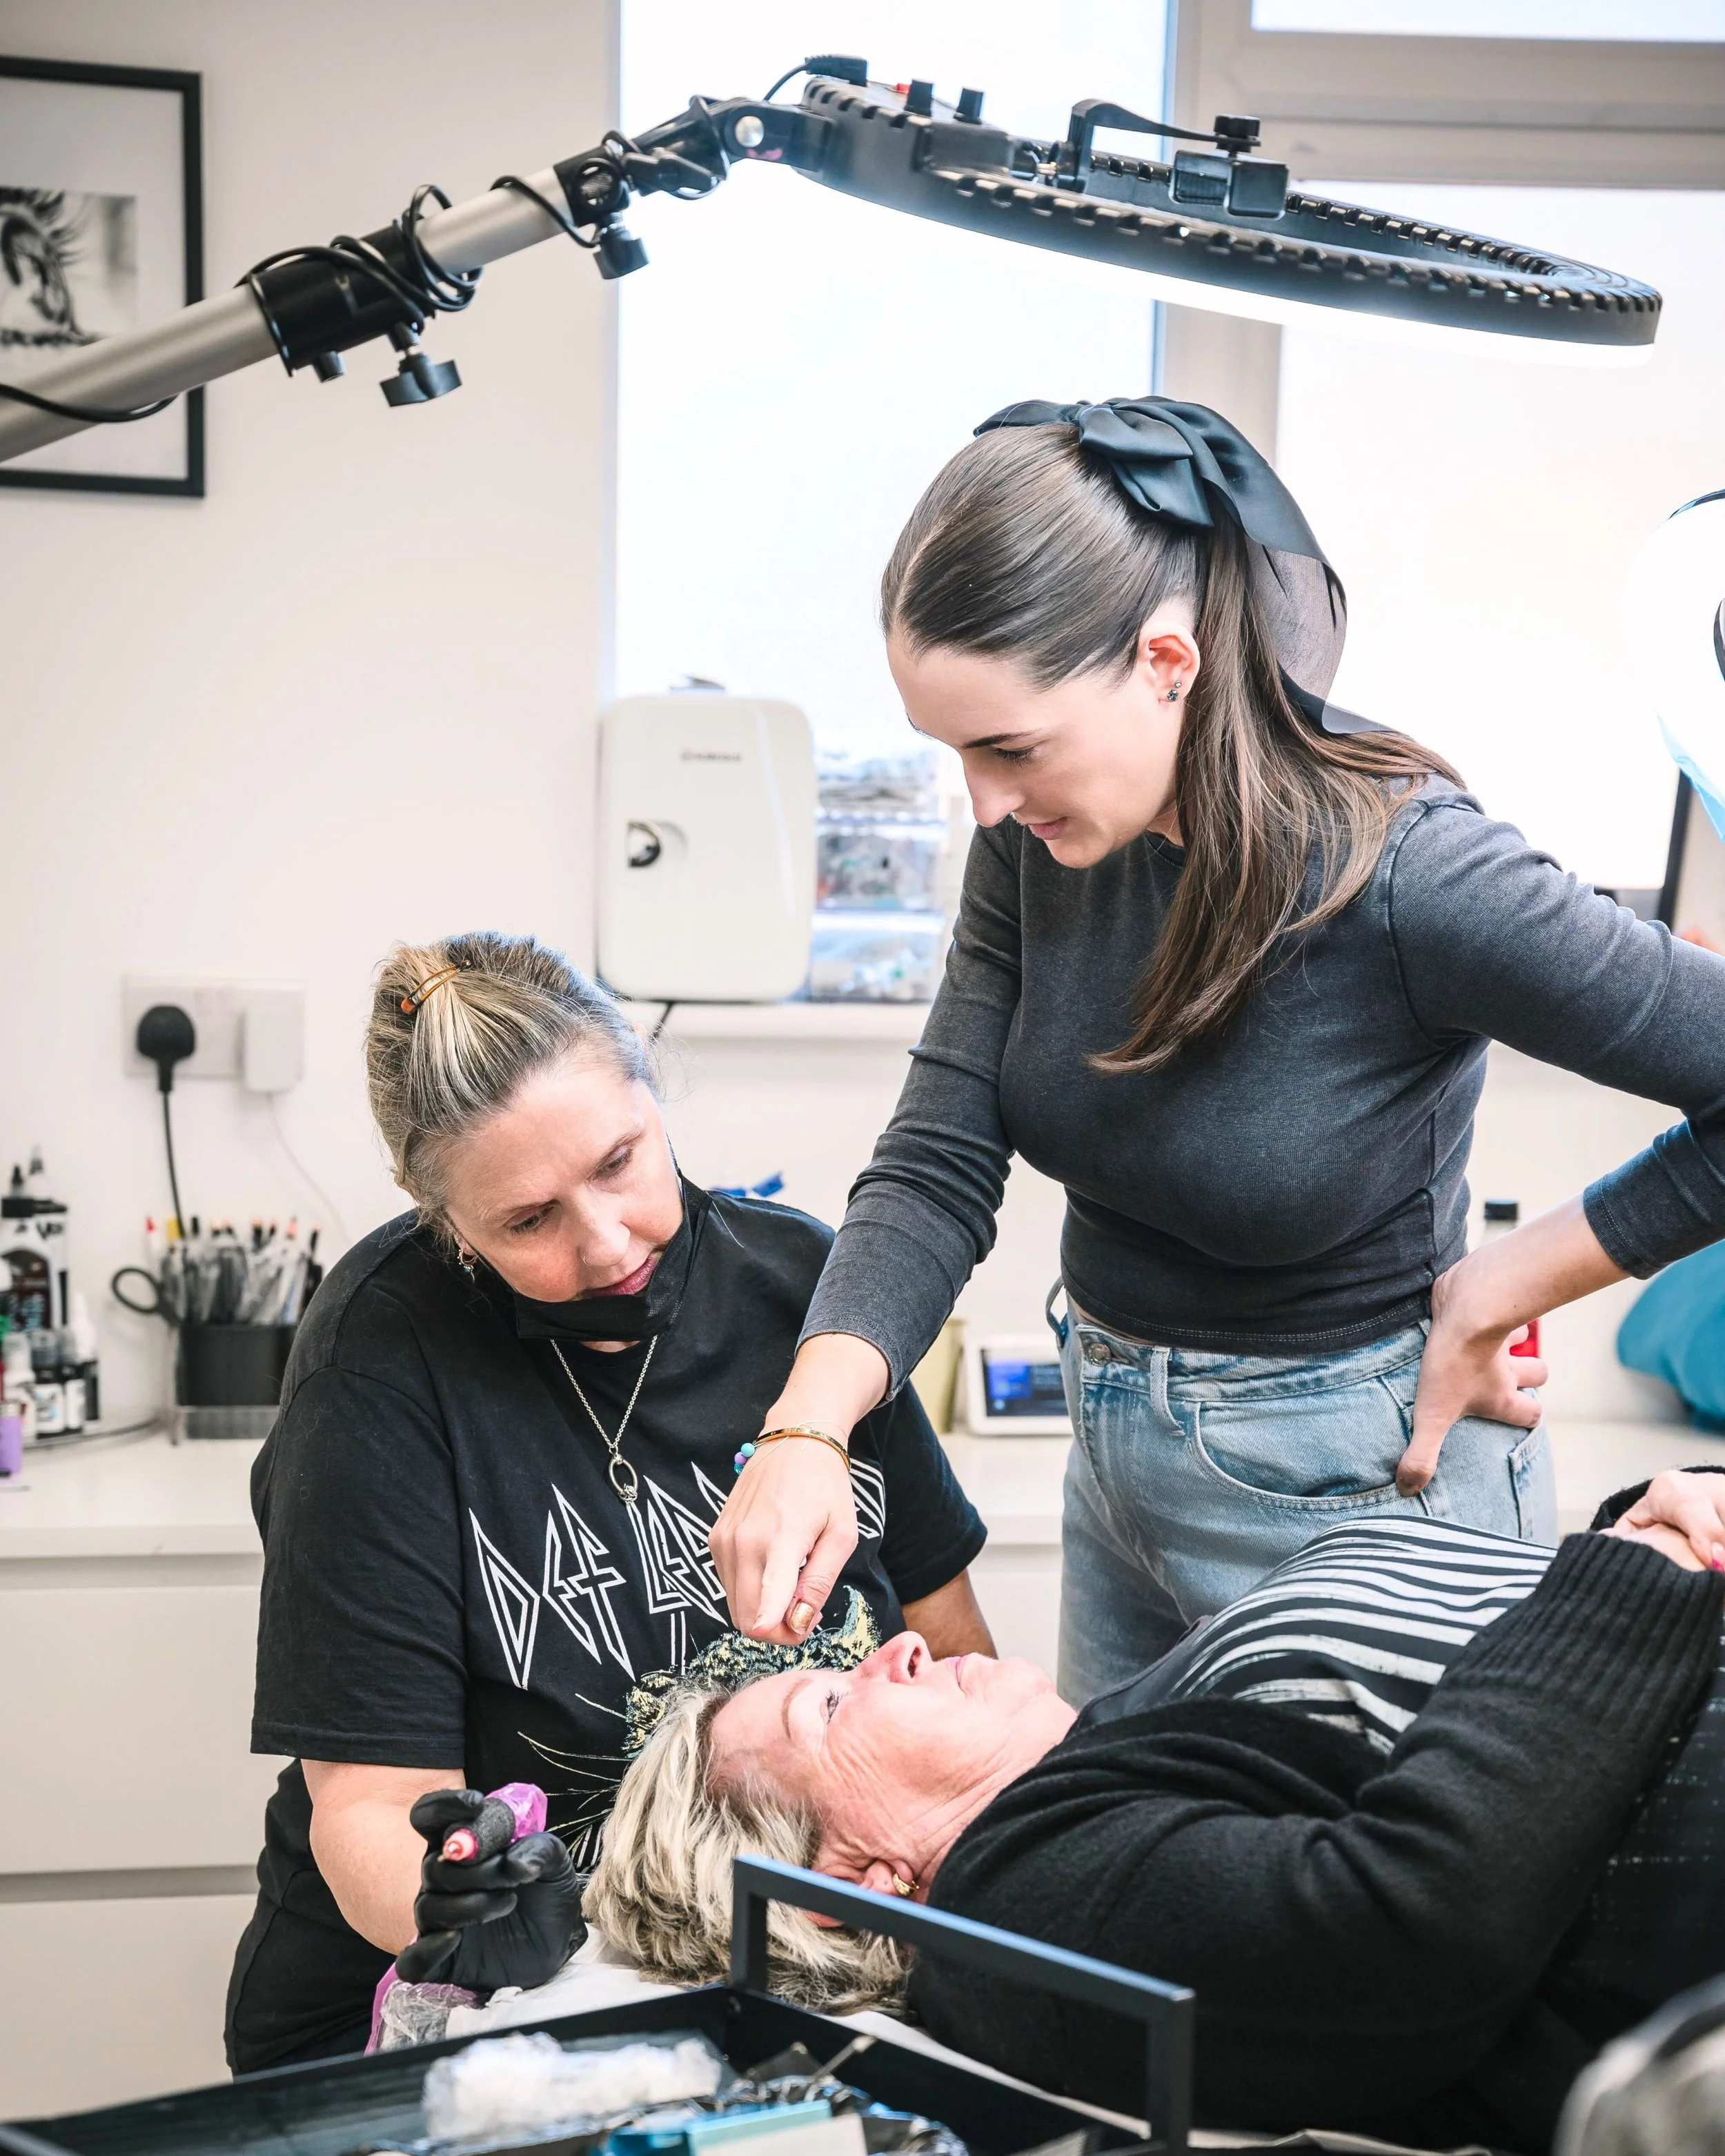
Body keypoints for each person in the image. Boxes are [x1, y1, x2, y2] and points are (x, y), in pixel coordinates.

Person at [711, 396, 1725, 1699]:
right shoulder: (1037, 842)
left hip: (1358, 1494)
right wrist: (809, 1424)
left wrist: (1511, 1278)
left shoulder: (1416, 873)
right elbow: (939, 1153)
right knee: (1116, 1884)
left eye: (1011, 747)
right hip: (1115, 1443)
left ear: (1168, 662)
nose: (986, 801)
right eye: (955, 752)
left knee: (1364, 1902)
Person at [225, 932, 989, 2075]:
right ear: (442, 1218)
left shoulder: (804, 1296)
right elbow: (371, 1816)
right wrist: (469, 1911)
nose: (609, 1239)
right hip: (453, 2020)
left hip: (799, 1990)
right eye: (528, 1222)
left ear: (651, 1090)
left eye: (622, 1161)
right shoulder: (380, 1365)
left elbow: (952, 1642)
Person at [590, 1470, 1725, 2155]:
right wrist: (1642, 1566)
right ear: (847, 1888)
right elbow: (1407, 1921)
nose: (896, 1648)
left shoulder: (1100, 1763)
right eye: (829, 1705)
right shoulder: (1012, 1903)